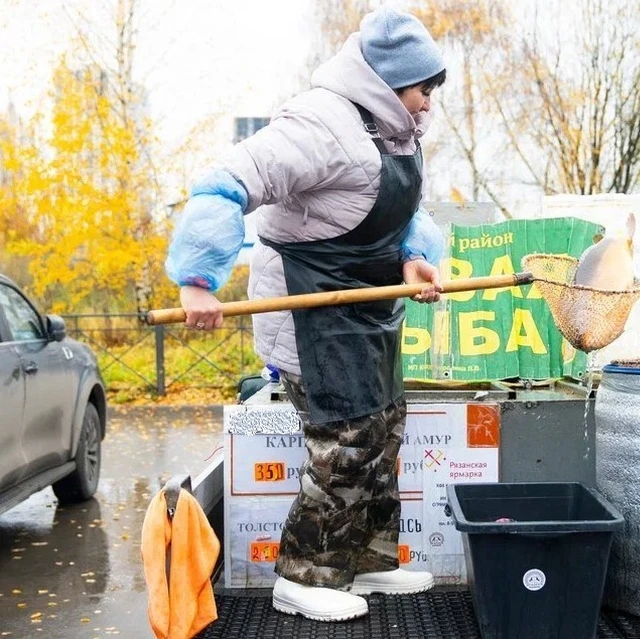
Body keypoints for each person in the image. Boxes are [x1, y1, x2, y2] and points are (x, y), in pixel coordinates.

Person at [164, 6, 448, 622]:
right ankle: (303, 574)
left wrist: (416, 256)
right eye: (423, 89)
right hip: (310, 313)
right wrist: (197, 280)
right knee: (346, 442)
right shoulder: (319, 125)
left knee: (384, 431)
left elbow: (406, 212)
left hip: (370, 308)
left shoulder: (396, 132)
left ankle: (366, 561)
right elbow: (224, 184)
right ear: (389, 82)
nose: (428, 103)